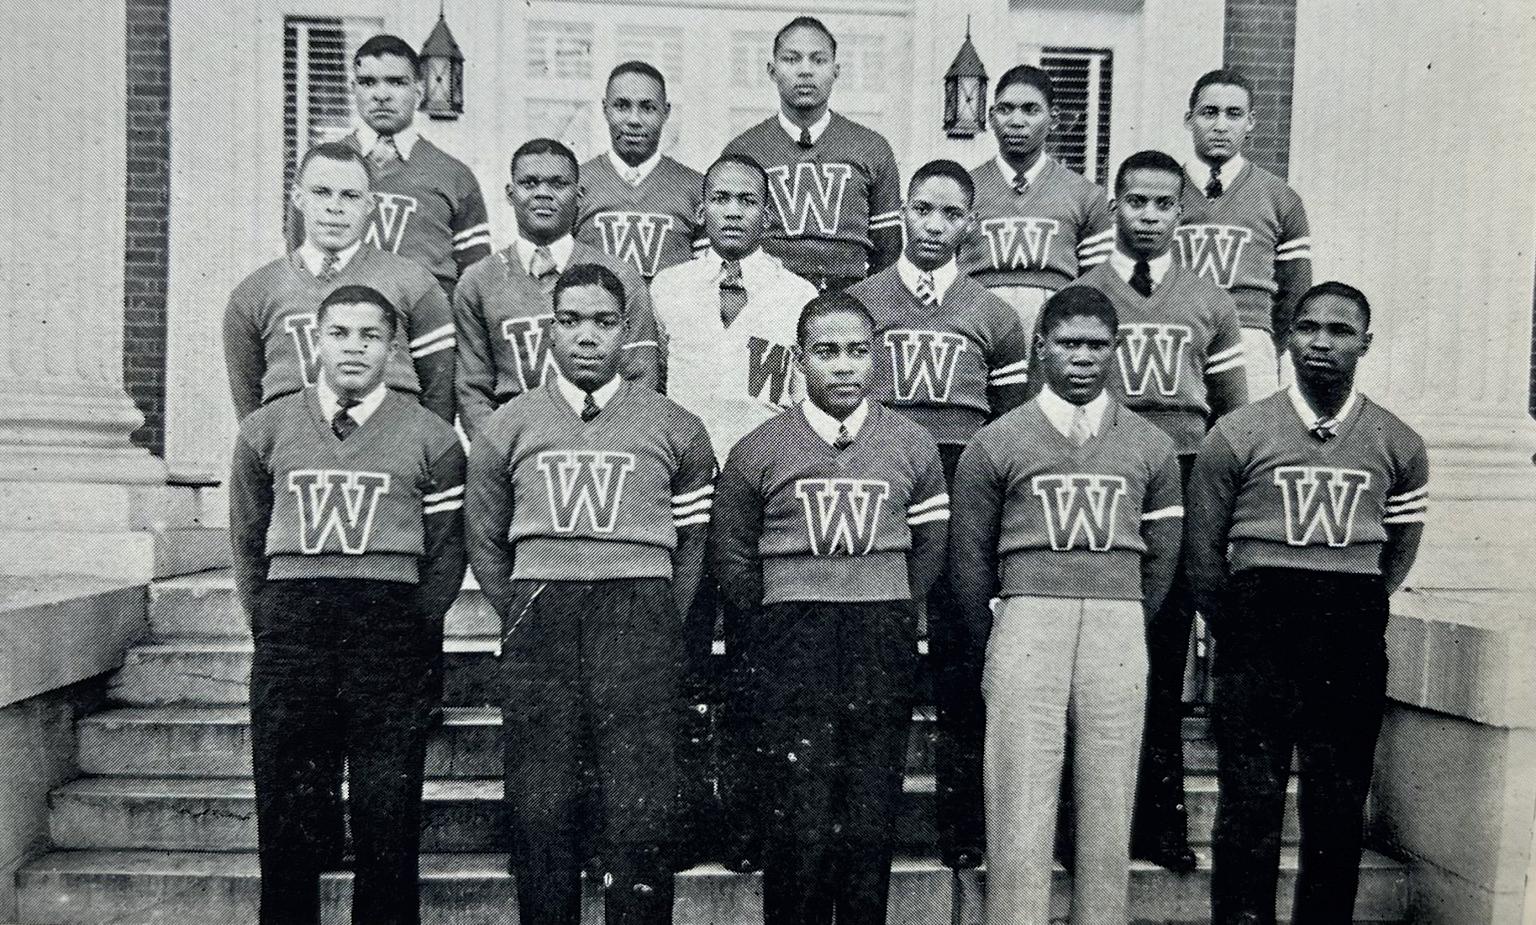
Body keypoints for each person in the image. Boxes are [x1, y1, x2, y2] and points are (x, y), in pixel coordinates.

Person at [466, 262, 716, 925]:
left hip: (637, 612)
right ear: (550, 330)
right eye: (570, 320)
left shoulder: (676, 426)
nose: (586, 336)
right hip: (541, 612)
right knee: (541, 800)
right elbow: (485, 537)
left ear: (626, 331)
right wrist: (523, 607)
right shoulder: (508, 425)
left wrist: (659, 613)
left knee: (640, 801)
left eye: (603, 322)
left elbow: (694, 541)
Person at [1185, 282, 1427, 925]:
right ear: (1287, 339)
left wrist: (1354, 602)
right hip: (1259, 620)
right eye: (1307, 328)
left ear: (1365, 344)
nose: (1321, 342)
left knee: (1338, 802)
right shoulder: (1237, 433)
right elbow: (1203, 554)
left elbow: (1398, 549)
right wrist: (1238, 626)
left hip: (1348, 624)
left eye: (1339, 331)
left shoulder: (1399, 442)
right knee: (1250, 801)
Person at [228, 284, 465, 925]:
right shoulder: (266, 428)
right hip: (293, 620)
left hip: (387, 621)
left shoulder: (432, 438)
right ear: (316, 341)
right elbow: (248, 537)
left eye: (370, 335)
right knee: (288, 799)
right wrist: (269, 621)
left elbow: (447, 551)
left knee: (387, 802)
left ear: (393, 348)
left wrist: (413, 625)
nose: (354, 348)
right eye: (339, 333)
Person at [712, 290, 949, 925]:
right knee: (800, 808)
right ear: (799, 360)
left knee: (870, 804)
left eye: (857, 351)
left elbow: (930, 544)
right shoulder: (759, 448)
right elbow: (733, 553)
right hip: (793, 634)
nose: (843, 366)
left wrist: (898, 604)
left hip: (879, 627)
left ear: (876, 357)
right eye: (826, 352)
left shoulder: (912, 444)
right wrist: (773, 619)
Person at [949, 285, 1183, 925]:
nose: (1083, 357)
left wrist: (1126, 613)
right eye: (1068, 343)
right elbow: (969, 558)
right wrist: (998, 633)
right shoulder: (997, 441)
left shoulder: (1151, 444)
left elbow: (1164, 555)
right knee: (1020, 790)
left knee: (1109, 791)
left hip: (1117, 620)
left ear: (1116, 350)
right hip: (1028, 617)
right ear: (1040, 348)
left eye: (1097, 345)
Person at [848, 157, 1030, 873]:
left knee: (963, 653)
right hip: (881, 477)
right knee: (877, 651)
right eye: (922, 209)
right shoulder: (862, 301)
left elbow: (1010, 425)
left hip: (964, 481)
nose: (933, 225)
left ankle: (963, 824)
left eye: (951, 214)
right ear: (902, 214)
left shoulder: (995, 315)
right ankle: (867, 822)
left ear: (971, 224)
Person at [1075, 149, 1249, 872]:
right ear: (1114, 205)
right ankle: (1082, 824)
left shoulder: (1211, 301)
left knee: (1162, 651)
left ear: (1182, 211)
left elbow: (1232, 418)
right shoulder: (1084, 292)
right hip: (1105, 481)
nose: (1148, 215)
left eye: (1163, 203)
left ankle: (1160, 822)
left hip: (1181, 479)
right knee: (1094, 652)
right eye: (1136, 201)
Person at [649, 151, 819, 870]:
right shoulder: (668, 288)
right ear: (701, 210)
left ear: (768, 214)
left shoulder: (796, 293)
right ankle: (683, 820)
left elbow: (800, 405)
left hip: (760, 500)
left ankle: (749, 826)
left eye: (747, 199)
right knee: (680, 660)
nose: (733, 211)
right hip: (683, 499)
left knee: (757, 663)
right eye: (720, 198)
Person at [226, 142, 454, 424]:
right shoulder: (254, 293)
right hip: (296, 443)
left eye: (350, 195)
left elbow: (439, 401)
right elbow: (251, 415)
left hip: (391, 441)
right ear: (298, 198)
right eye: (321, 192)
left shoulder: (414, 283)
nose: (334, 207)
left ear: (369, 204)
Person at [454, 138, 660, 439]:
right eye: (530, 183)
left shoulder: (619, 275)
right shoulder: (479, 281)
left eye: (558, 184)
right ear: (510, 194)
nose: (543, 193)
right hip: (515, 446)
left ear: (579, 195)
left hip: (604, 441)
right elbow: (472, 391)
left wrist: (605, 443)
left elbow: (641, 377)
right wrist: (501, 450)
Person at [721, 15, 902, 291]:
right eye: (791, 59)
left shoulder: (871, 147)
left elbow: (888, 251)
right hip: (767, 297)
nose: (805, 71)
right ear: (772, 70)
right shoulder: (742, 151)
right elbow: (728, 245)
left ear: (835, 71)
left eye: (818, 60)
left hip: (848, 297)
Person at [1175, 68, 1312, 398]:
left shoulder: (1280, 197)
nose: (1221, 125)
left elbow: (1295, 295)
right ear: (1189, 120)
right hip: (1176, 333)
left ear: (1250, 122)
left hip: (1248, 338)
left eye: (1233, 114)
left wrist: (1267, 346)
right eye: (1209, 113)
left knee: (1248, 429)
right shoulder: (1162, 192)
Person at [958, 64, 1114, 334]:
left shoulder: (1085, 194)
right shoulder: (963, 189)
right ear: (992, 117)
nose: (1016, 121)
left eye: (1030, 110)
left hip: (1057, 326)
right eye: (1005, 109)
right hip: (975, 321)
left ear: (1053, 118)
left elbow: (1098, 285)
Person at [339, 34, 490, 297]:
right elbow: (302, 263)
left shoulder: (455, 175)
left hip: (427, 318)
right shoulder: (321, 168)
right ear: (354, 89)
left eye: (396, 82)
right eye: (368, 82)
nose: (381, 95)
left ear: (419, 91)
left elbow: (476, 284)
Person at [575, 61, 704, 281]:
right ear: (605, 109)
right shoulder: (576, 183)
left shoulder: (696, 187)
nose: (634, 120)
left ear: (666, 112)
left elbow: (706, 278)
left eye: (648, 107)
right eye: (622, 106)